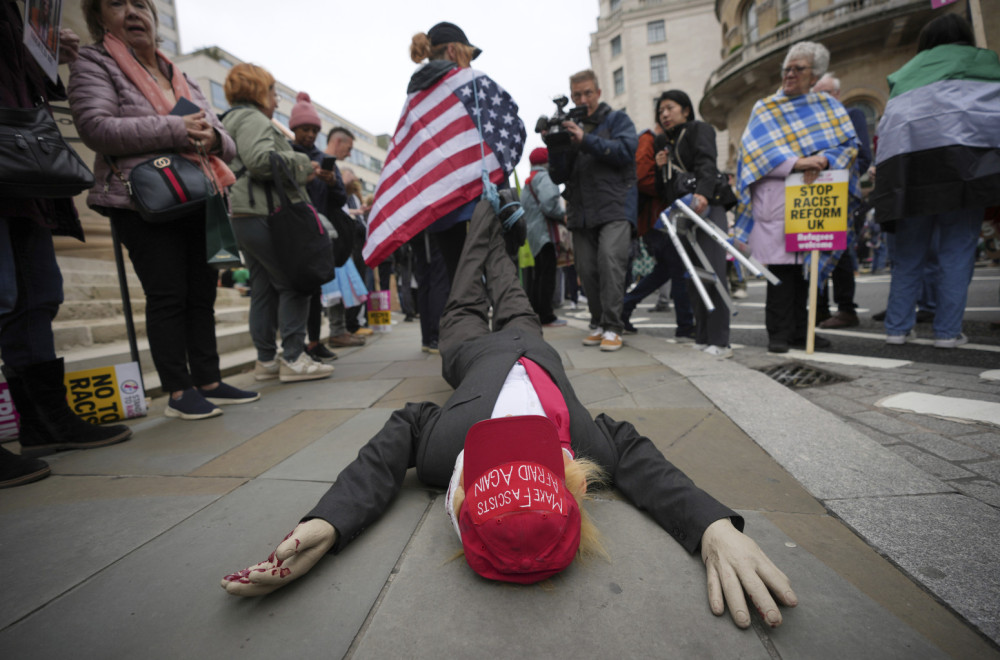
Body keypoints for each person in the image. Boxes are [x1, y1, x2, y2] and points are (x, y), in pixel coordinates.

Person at [219, 197, 798, 631]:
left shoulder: (444, 450)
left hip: (468, 346)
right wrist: (713, 527)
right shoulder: (592, 446)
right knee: (509, 281)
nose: (516, 444)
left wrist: (327, 522)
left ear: (461, 492)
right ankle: (501, 230)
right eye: (535, 462)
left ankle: (482, 221)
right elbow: (651, 469)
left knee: (468, 278)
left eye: (494, 464)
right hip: (529, 340)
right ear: (567, 480)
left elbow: (387, 448)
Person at [69, 0, 259, 419]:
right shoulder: (94, 62)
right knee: (168, 293)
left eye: (142, 3)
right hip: (144, 198)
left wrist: (210, 138)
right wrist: (178, 128)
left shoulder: (179, 73)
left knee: (202, 292)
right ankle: (178, 390)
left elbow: (225, 139)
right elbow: (95, 127)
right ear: (99, 17)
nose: (134, 12)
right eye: (118, 3)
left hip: (201, 191)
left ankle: (208, 379)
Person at [0, 3, 132, 488]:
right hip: (12, 150)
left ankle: (44, 422)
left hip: (19, 155)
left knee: (38, 292)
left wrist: (44, 54)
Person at [871, 13, 1000, 348]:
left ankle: (897, 329)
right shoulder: (985, 62)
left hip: (913, 173)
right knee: (957, 252)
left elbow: (890, 129)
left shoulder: (906, 73)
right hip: (970, 168)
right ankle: (947, 332)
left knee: (909, 255)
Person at [733, 41, 860, 354]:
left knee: (806, 274)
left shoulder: (828, 107)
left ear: (813, 75)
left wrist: (827, 160)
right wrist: (797, 163)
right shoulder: (765, 109)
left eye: (798, 69)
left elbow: (849, 146)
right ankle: (778, 334)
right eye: (787, 68)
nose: (789, 74)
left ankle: (802, 334)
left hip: (813, 202)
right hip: (776, 205)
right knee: (779, 276)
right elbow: (752, 156)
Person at [220, 63, 334, 383]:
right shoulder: (254, 119)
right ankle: (295, 357)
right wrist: (302, 163)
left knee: (262, 289)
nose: (276, 100)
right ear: (258, 91)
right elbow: (259, 160)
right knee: (293, 284)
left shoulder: (230, 119)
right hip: (267, 213)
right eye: (272, 92)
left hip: (245, 214)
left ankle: (266, 359)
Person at [548, 69, 638, 352]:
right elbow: (557, 175)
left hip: (615, 207)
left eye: (588, 93)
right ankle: (599, 323)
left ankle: (613, 326)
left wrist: (585, 139)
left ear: (598, 93)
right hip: (581, 211)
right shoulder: (568, 126)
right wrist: (556, 145)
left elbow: (626, 151)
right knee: (587, 270)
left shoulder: (617, 119)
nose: (582, 99)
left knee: (610, 261)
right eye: (577, 95)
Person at [811, 73, 872, 330]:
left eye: (826, 93)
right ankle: (820, 308)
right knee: (813, 247)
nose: (821, 99)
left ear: (837, 95)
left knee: (841, 249)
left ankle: (846, 309)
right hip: (812, 192)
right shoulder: (811, 125)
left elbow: (863, 156)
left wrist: (830, 167)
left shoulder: (852, 116)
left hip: (840, 190)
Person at [287, 92, 338, 364]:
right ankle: (295, 344)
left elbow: (339, 198)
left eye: (313, 130)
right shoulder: (286, 152)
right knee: (296, 287)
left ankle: (315, 342)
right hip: (293, 225)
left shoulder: (325, 158)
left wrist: (332, 182)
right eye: (304, 129)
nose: (309, 135)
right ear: (294, 128)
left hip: (318, 227)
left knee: (316, 288)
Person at [322, 127, 366, 350]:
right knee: (332, 288)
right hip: (326, 235)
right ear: (339, 141)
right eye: (348, 148)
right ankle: (334, 332)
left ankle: (339, 331)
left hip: (335, 238)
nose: (349, 154)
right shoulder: (323, 164)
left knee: (339, 287)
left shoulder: (331, 169)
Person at [522, 147, 568, 327]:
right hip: (545, 233)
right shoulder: (545, 177)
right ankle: (547, 315)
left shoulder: (529, 181)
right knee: (547, 275)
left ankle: (537, 313)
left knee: (538, 275)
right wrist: (561, 214)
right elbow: (549, 204)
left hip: (534, 234)